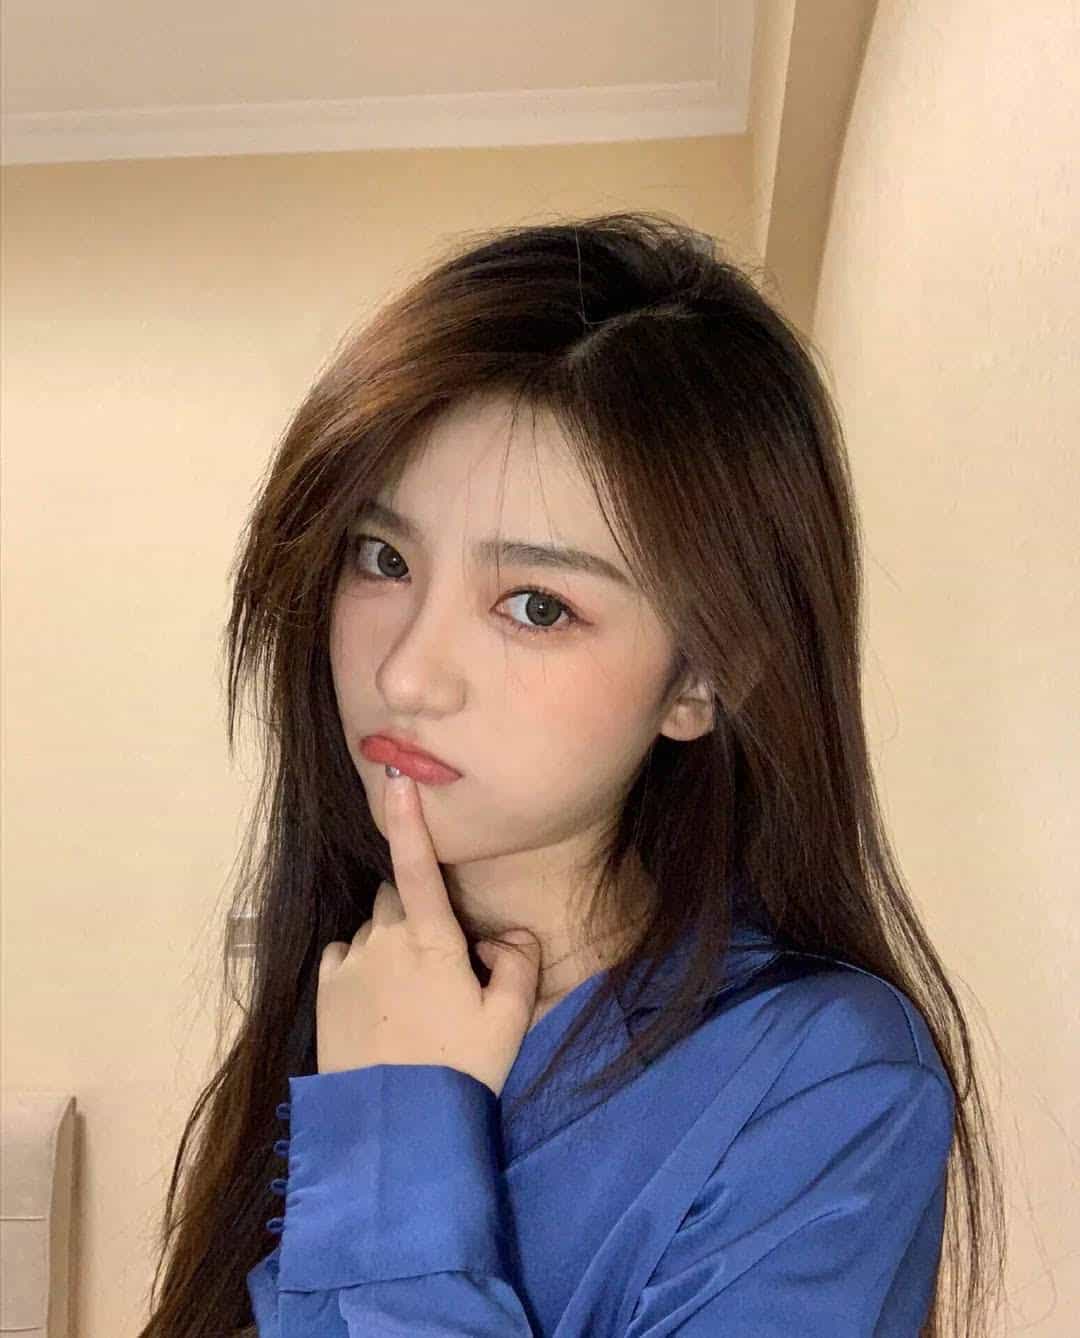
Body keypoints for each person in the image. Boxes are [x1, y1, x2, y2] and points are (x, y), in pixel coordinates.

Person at [135, 212, 1005, 1337]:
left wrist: (394, 1135)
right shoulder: (357, 983)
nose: (405, 675)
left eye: (537, 606)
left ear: (705, 677)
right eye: (383, 558)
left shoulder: (826, 1083)